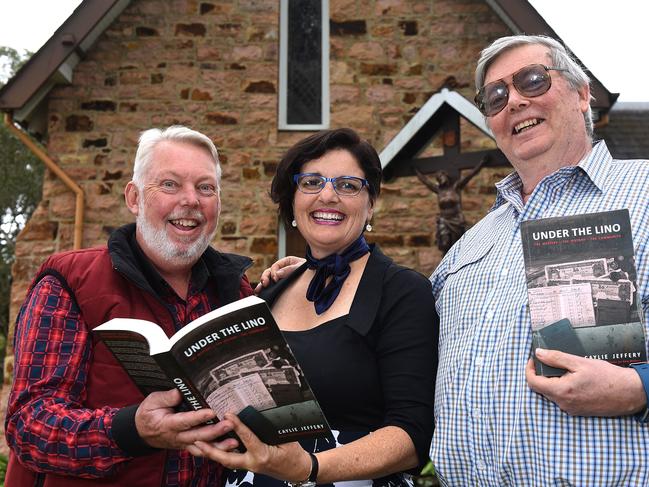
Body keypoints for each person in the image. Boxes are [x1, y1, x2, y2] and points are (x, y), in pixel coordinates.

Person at [430, 35, 649, 485]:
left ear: (582, 93)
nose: (512, 101)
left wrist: (640, 389)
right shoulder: (467, 247)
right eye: (494, 96)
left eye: (531, 81)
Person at [5, 126, 253, 486]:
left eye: (205, 188)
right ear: (134, 198)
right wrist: (129, 430)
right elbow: (29, 425)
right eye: (170, 184)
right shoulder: (70, 282)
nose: (191, 200)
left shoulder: (237, 291)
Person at [190, 128, 438, 486]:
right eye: (311, 182)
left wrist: (310, 468)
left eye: (348, 185)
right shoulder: (269, 293)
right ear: (293, 202)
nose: (328, 195)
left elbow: (413, 434)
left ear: (371, 204)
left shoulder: (401, 291)